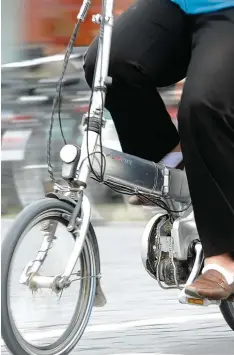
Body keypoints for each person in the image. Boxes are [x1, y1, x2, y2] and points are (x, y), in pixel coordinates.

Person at [83, 0, 234, 300]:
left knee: (201, 105)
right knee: (107, 62)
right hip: (178, 5)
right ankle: (171, 163)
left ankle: (224, 259)